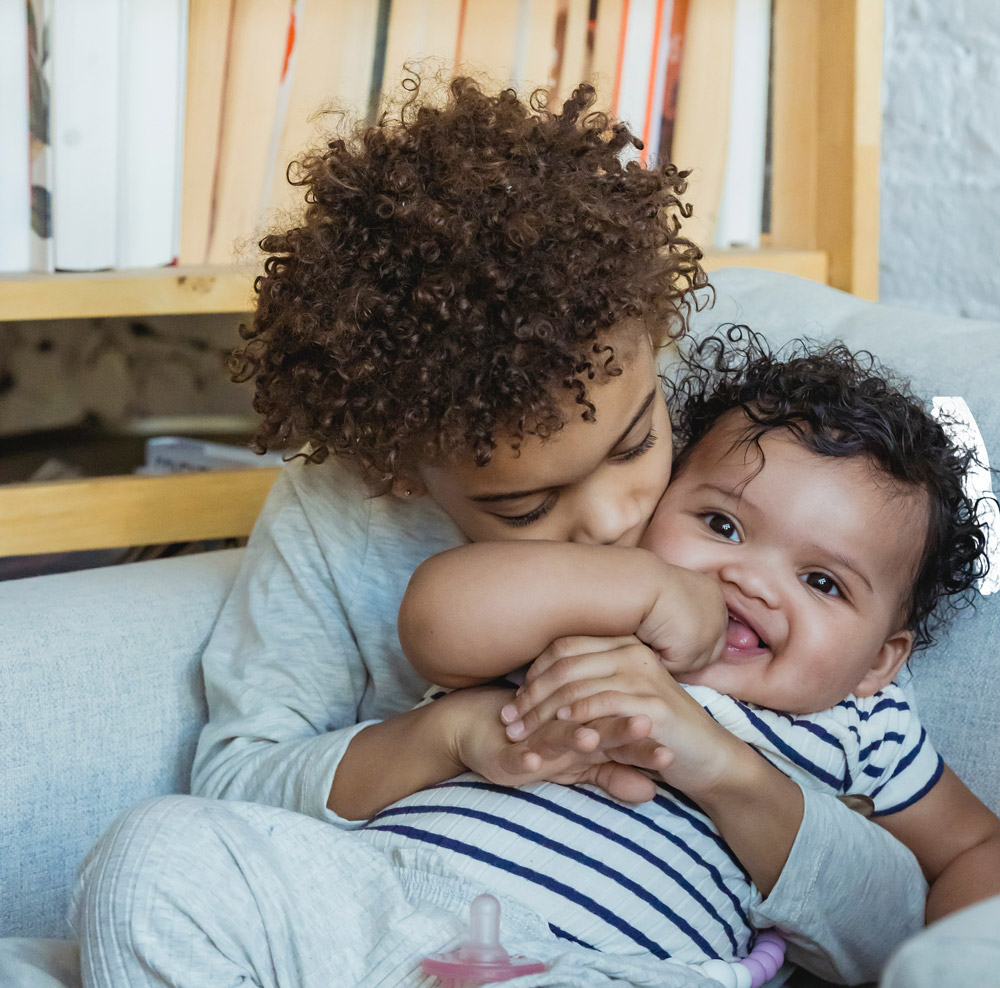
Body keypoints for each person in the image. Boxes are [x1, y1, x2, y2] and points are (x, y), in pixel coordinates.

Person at [71, 78, 927, 988]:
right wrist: (455, 735)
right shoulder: (337, 513)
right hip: (385, 907)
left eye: (637, 444)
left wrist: (724, 767)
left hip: (605, 955)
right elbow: (239, 787)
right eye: (525, 508)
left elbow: (905, 895)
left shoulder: (731, 482)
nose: (612, 518)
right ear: (397, 468)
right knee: (149, 859)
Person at [394, 334, 1000, 972]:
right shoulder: (593, 607)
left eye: (823, 582)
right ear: (658, 508)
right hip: (383, 890)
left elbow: (976, 847)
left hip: (600, 968)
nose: (750, 580)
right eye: (722, 525)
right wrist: (642, 590)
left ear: (878, 661)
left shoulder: (859, 727)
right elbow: (437, 620)